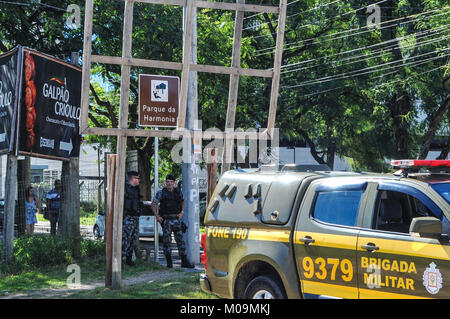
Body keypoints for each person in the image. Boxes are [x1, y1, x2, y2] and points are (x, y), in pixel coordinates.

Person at [152, 174, 194, 269]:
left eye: (171, 182)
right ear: (165, 182)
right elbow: (154, 204)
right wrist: (157, 216)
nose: (169, 183)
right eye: (167, 182)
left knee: (181, 241)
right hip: (166, 220)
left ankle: (184, 261)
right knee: (167, 242)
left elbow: (183, 202)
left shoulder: (178, 192)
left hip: (176, 220)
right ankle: (169, 263)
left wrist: (181, 212)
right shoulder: (161, 193)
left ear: (174, 183)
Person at [122, 170, 142, 266]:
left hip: (134, 217)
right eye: (137, 178)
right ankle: (121, 259)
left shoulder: (136, 189)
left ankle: (128, 260)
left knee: (132, 239)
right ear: (133, 179)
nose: (139, 180)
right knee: (125, 239)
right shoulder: (124, 188)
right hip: (127, 217)